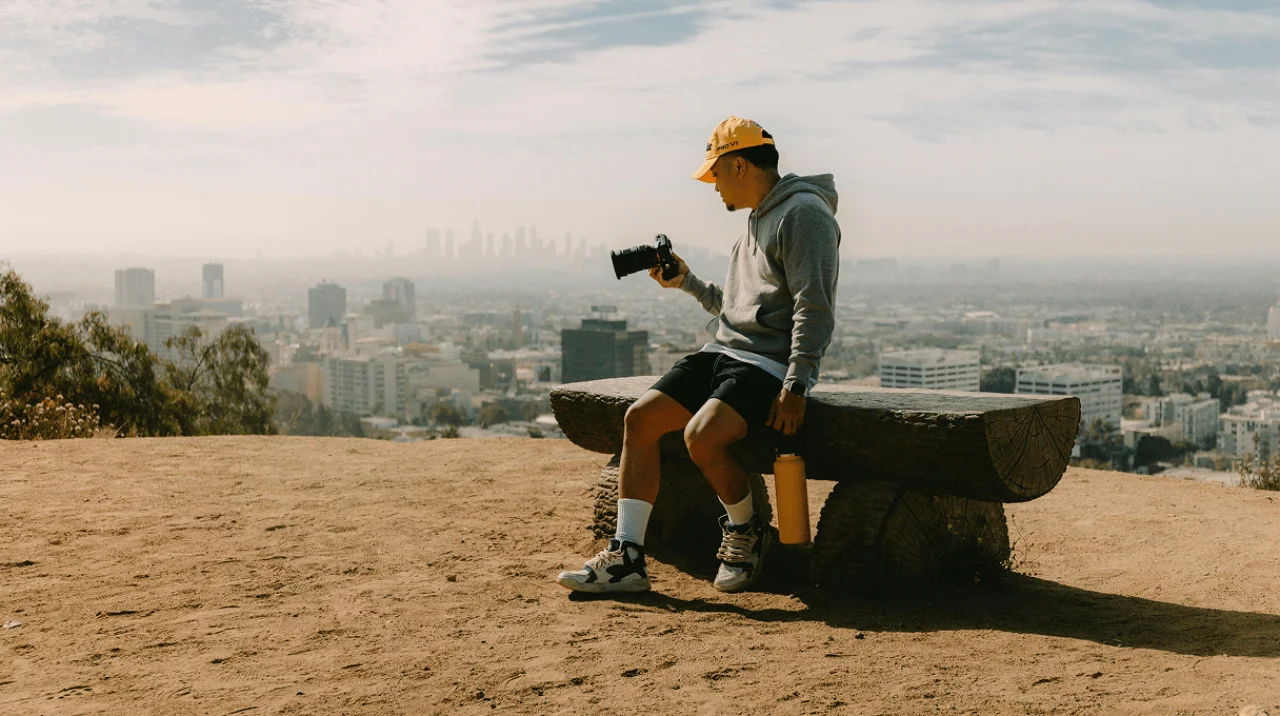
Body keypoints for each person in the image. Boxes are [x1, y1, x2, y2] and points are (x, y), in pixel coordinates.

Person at [557, 116, 841, 594]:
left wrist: (797, 383)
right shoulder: (757, 218)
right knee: (639, 419)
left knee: (701, 436)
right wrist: (686, 282)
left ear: (740, 165)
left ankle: (746, 530)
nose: (712, 187)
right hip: (725, 352)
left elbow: (814, 307)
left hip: (767, 365)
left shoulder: (804, 215)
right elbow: (738, 308)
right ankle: (626, 559)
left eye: (715, 173)